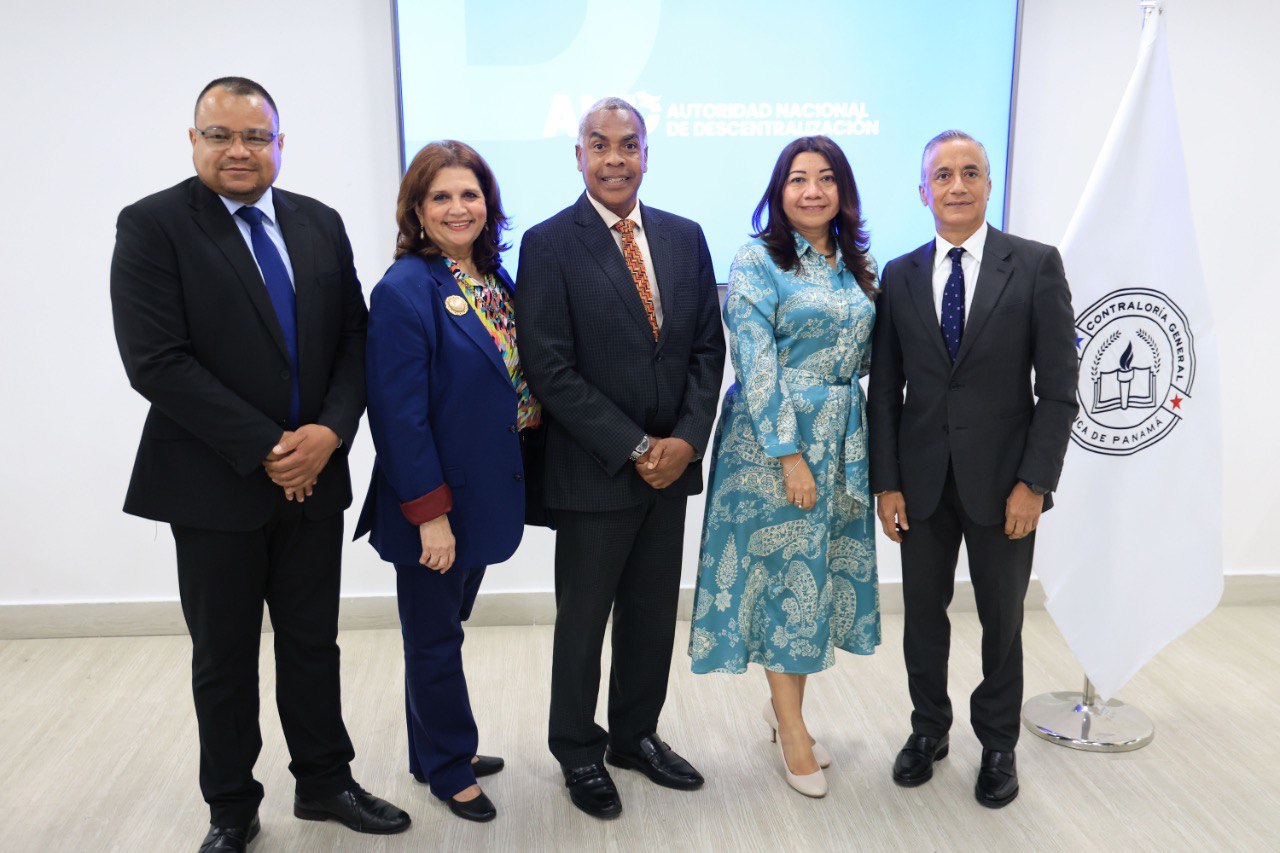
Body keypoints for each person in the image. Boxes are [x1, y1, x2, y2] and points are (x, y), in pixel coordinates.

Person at [109, 77, 409, 852]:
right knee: (224, 656)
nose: (238, 150)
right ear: (194, 140)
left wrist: (329, 433)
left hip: (317, 476)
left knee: (313, 642)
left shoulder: (318, 222)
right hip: (213, 483)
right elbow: (156, 360)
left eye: (255, 136)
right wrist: (272, 448)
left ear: (279, 143)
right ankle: (232, 806)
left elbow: (354, 338)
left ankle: (325, 781)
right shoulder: (152, 226)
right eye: (220, 135)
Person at [515, 97, 726, 819]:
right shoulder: (548, 244)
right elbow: (548, 367)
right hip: (594, 469)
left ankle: (635, 736)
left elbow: (706, 350)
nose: (614, 158)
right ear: (578, 156)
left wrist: (686, 440)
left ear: (645, 154)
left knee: (650, 615)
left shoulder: (685, 237)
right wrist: (636, 446)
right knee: (584, 621)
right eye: (599, 144)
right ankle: (578, 749)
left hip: (672, 468)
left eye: (628, 144)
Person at [867, 130, 1078, 808]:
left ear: (989, 184)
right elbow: (885, 390)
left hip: (1006, 485)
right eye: (943, 175)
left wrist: (1034, 483)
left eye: (970, 172)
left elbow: (1059, 390)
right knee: (922, 620)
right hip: (921, 484)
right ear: (922, 191)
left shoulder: (1036, 265)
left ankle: (997, 743)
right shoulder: (900, 274)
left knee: (1002, 622)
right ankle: (928, 729)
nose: (956, 185)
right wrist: (886, 481)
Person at [355, 140, 541, 824]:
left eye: (469, 194)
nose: (458, 208)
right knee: (434, 640)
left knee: (442, 630)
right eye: (441, 197)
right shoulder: (405, 288)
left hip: (483, 493)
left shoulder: (490, 278)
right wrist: (430, 515)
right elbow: (398, 417)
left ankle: (429, 749)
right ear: (416, 209)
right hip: (433, 505)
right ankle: (449, 766)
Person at [689, 136, 881, 798]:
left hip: (841, 439)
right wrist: (790, 455)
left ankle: (784, 710)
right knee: (781, 582)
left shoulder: (857, 264)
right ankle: (794, 730)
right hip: (773, 445)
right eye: (798, 179)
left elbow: (865, 354)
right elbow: (754, 359)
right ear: (779, 191)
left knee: (814, 579)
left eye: (826, 178)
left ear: (842, 190)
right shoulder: (757, 260)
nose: (812, 190)